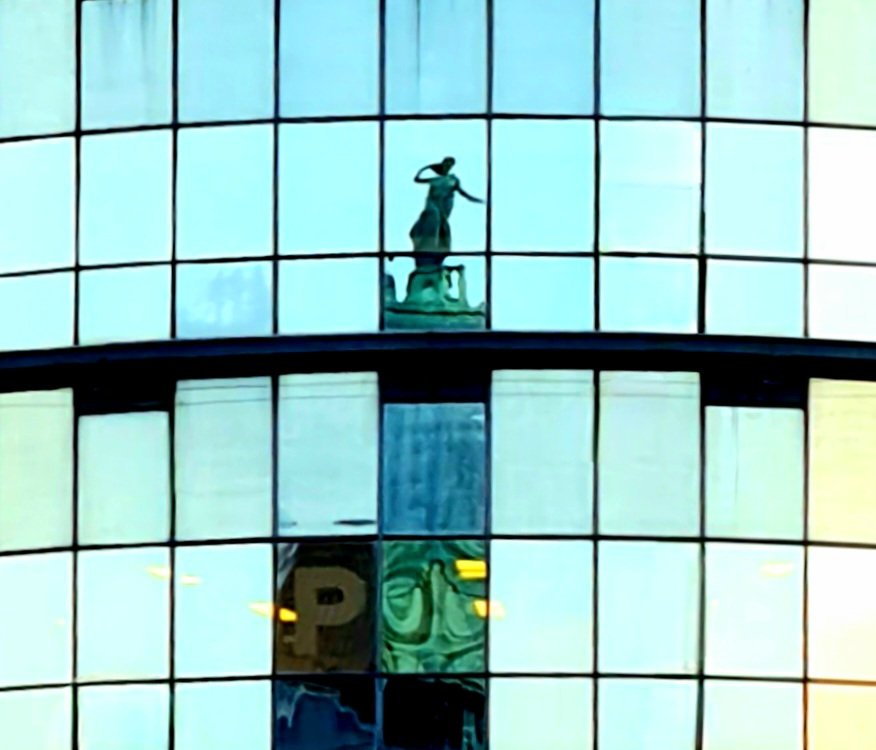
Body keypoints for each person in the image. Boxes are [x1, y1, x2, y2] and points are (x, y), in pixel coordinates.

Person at [408, 157, 483, 268]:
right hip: (432, 204)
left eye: (450, 164)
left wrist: (478, 200)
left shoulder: (453, 179)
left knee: (442, 225)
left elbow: (463, 193)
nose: (447, 166)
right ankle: (429, 245)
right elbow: (417, 179)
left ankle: (436, 246)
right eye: (446, 163)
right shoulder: (434, 179)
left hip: (444, 205)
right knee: (433, 219)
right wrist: (427, 167)